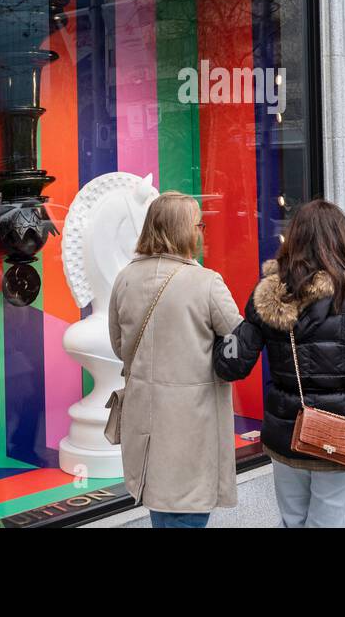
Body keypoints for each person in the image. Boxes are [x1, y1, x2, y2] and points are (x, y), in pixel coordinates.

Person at [215, 200, 345, 528]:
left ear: (294, 240)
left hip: (286, 429)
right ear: (342, 242)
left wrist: (215, 332)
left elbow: (232, 365)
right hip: (343, 432)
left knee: (293, 520)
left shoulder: (269, 295)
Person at [107, 191, 243, 528]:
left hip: (146, 423)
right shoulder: (206, 283)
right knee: (187, 514)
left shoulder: (125, 278)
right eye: (199, 224)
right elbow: (239, 345)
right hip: (192, 427)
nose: (201, 231)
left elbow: (118, 344)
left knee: (161, 511)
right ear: (184, 230)